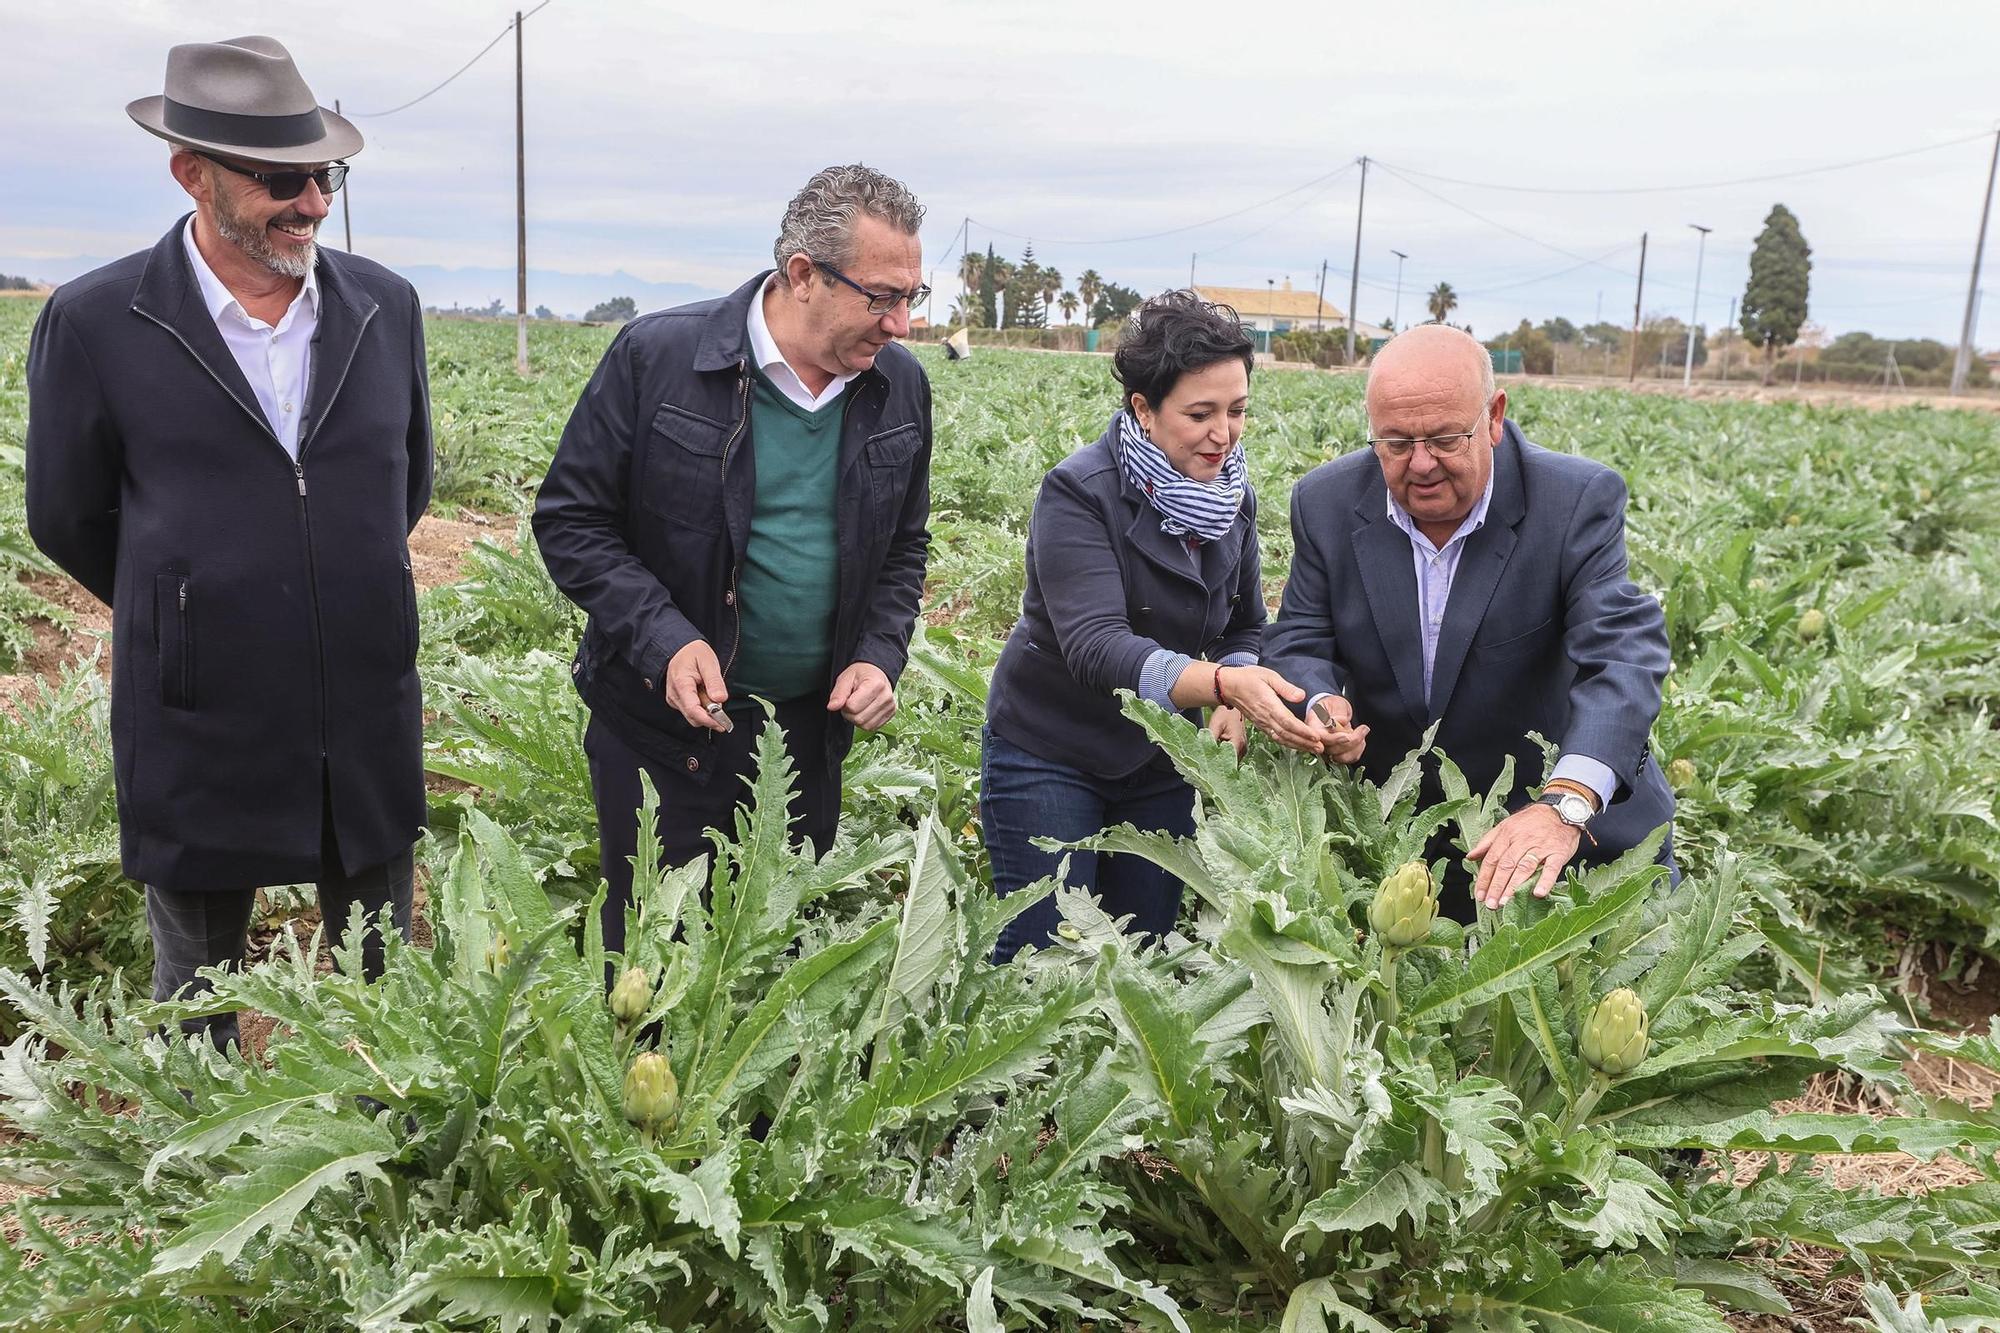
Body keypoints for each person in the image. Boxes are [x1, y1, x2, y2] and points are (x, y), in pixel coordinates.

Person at [25, 37, 431, 1048]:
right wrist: (189, 599)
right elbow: (67, 515)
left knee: (383, 972)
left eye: (324, 174)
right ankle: (206, 1174)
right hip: (198, 703)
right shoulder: (96, 322)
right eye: (282, 180)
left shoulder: (386, 307)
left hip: (365, 693)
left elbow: (405, 483)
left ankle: (396, 1165)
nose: (313, 203)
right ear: (191, 175)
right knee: (199, 984)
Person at [535, 165, 932, 955]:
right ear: (804, 276)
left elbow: (902, 551)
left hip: (804, 744)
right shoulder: (658, 358)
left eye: (912, 297)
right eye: (883, 296)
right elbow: (572, 520)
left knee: (773, 970)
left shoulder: (901, 388)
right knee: (648, 962)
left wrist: (878, 655)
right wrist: (665, 640)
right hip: (658, 735)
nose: (902, 324)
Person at [1262, 323, 1675, 920]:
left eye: (1445, 438)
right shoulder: (1324, 503)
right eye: (1396, 443)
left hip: (1569, 840)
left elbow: (1622, 655)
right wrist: (1320, 702)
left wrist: (1568, 801)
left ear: (1494, 417)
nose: (1421, 464)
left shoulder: (1573, 501)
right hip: (1408, 847)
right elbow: (1300, 635)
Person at [982, 292, 1323, 962]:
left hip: (1160, 758)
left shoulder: (1234, 497)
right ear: (1143, 408)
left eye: (1237, 410)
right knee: (1046, 965)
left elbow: (1246, 624)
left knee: (1142, 957)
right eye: (1200, 414)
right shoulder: (1080, 491)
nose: (1222, 433)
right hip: (1051, 751)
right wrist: (1224, 686)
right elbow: (1095, 645)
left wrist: (1233, 695)